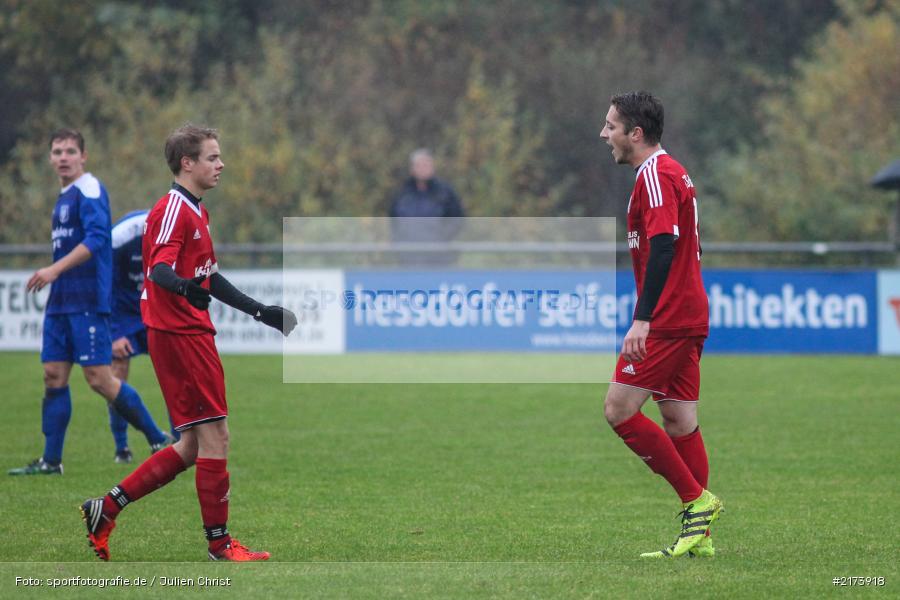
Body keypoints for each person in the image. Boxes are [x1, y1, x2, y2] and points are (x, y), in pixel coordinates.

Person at [80, 124, 298, 562]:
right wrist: (183, 289)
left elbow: (209, 277)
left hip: (188, 331)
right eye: (213, 157)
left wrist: (261, 312)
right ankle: (219, 545)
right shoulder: (172, 209)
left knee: (193, 445)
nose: (221, 165)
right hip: (179, 335)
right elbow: (158, 269)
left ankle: (107, 507)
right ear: (188, 163)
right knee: (217, 436)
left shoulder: (197, 210)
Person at [599, 92, 723, 558]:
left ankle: (697, 502)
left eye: (611, 126)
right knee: (679, 419)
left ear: (636, 133)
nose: (604, 134)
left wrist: (643, 319)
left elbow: (665, 245)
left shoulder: (655, 174)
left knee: (619, 410)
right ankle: (700, 538)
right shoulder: (669, 172)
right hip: (687, 314)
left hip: (669, 319)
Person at [9, 129, 171, 476]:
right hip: (60, 303)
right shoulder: (65, 196)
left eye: (70, 151)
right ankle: (51, 461)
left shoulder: (89, 190)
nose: (63, 157)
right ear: (51, 158)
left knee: (99, 378)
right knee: (53, 375)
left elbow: (99, 239)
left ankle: (158, 440)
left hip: (86, 301)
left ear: (83, 156)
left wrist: (54, 269)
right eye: (57, 151)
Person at [108, 209, 179, 464]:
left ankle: (179, 441)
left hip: (156, 309)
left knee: (174, 372)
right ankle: (122, 448)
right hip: (125, 313)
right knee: (116, 373)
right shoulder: (120, 237)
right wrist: (115, 333)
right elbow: (106, 285)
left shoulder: (176, 232)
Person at [389, 148, 464, 265]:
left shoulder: (445, 193)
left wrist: (440, 240)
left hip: (439, 258)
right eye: (419, 165)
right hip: (409, 257)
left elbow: (456, 220)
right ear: (412, 169)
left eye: (427, 165)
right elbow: (394, 222)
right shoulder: (402, 194)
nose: (423, 169)